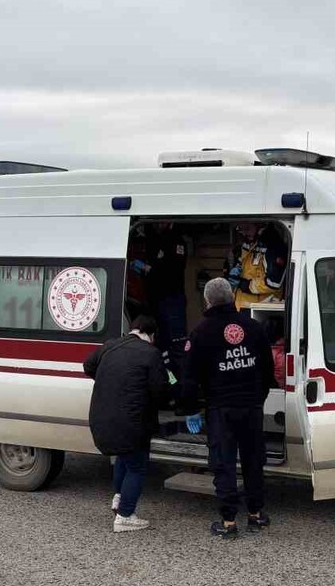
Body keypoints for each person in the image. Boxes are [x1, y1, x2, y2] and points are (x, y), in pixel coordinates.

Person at [179, 277, 277, 538]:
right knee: (253, 461)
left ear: (207, 301)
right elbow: (268, 370)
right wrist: (259, 397)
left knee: (223, 463)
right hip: (252, 407)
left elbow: (189, 378)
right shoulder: (255, 328)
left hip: (221, 409)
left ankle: (229, 522)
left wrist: (190, 408)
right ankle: (256, 515)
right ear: (232, 298)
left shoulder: (200, 332)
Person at [83, 316, 169, 533]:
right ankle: (125, 516)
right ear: (151, 335)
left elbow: (88, 366)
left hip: (101, 417)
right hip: (132, 423)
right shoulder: (151, 353)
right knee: (137, 467)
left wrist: (111, 380)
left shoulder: (110, 345)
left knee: (123, 457)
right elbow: (159, 390)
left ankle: (118, 500)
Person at [143, 222, 190, 370]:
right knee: (159, 342)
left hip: (172, 298)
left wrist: (151, 269)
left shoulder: (177, 241)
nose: (158, 225)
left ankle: (179, 382)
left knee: (176, 344)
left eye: (162, 222)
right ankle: (165, 378)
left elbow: (173, 269)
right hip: (155, 299)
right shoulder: (154, 238)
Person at [225, 223, 283, 309]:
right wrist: (233, 276)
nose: (244, 233)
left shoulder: (273, 248)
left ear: (260, 225)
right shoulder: (248, 244)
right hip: (241, 306)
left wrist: (245, 285)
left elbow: (274, 283)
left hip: (262, 309)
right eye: (241, 229)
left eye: (247, 228)